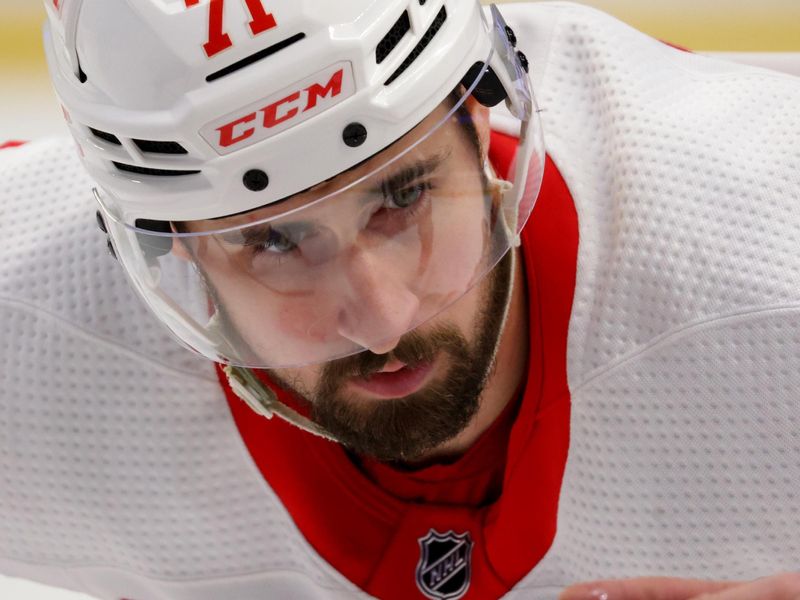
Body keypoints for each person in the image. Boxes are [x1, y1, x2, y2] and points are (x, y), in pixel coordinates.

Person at [1, 1, 798, 599]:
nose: (381, 318)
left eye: (404, 195)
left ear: (482, 122)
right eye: (272, 242)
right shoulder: (31, 328)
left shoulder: (768, 278)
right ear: (168, 238)